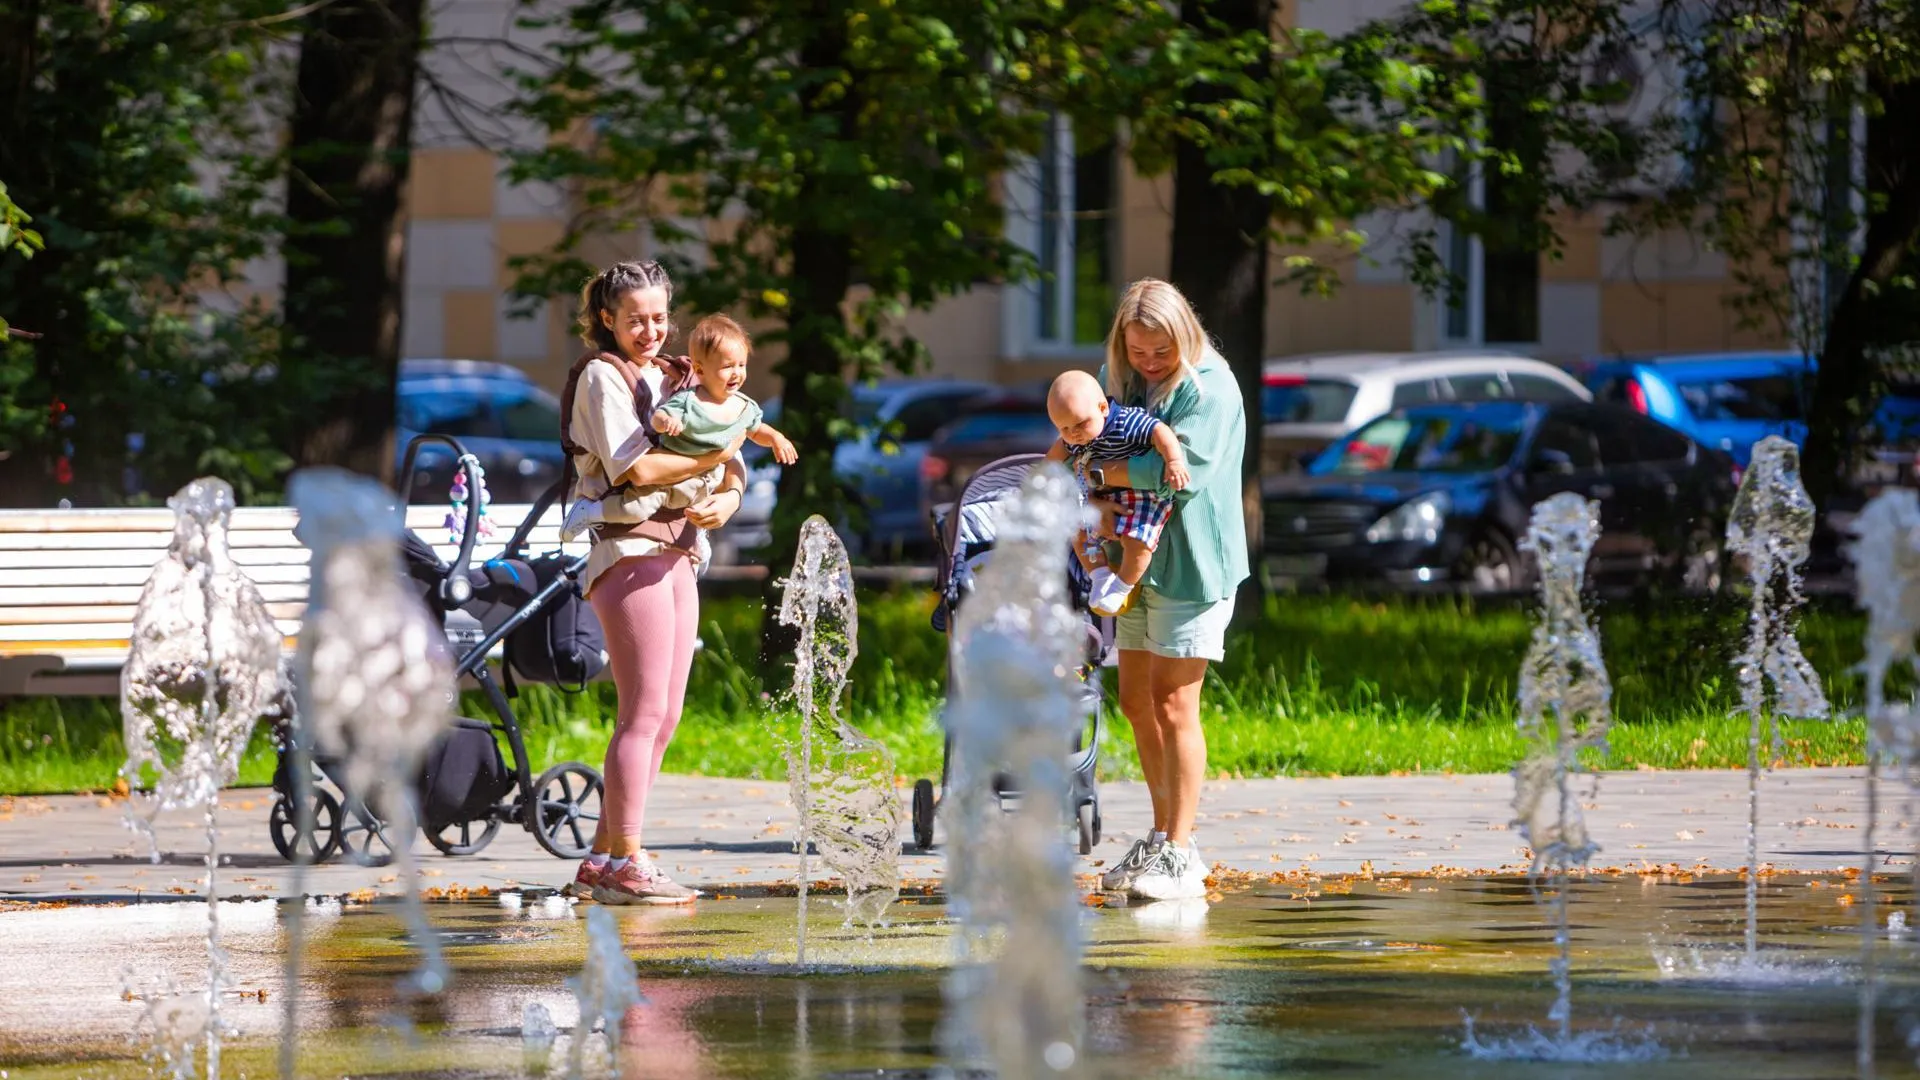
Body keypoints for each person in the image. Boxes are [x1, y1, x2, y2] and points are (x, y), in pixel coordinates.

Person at [555, 260, 750, 906]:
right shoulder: (601, 379)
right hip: (629, 549)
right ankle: (629, 859)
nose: (651, 330)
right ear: (606, 319)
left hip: (681, 549)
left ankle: (604, 858)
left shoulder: (678, 377)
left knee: (665, 716)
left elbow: (737, 446)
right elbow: (636, 470)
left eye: (661, 317)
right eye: (636, 319)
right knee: (640, 713)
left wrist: (731, 496)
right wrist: (719, 460)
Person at [1084, 278, 1248, 902]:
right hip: (1130, 560)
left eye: (1161, 354)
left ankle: (1181, 849)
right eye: (1138, 353)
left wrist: (1102, 470)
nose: (1148, 365)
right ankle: (1161, 835)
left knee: (1177, 705)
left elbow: (1181, 474)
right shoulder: (1118, 372)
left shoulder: (1214, 386)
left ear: (1184, 336)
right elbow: (1086, 432)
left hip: (1189, 564)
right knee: (1135, 700)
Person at [561, 313, 795, 540]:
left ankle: (696, 536)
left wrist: (776, 439)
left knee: (702, 509)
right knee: (637, 507)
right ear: (700, 370)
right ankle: (589, 512)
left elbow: (755, 430)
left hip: (703, 482)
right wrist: (667, 422)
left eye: (741, 365)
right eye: (727, 367)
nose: (736, 373)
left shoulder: (743, 406)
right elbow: (660, 417)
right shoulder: (689, 400)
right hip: (669, 479)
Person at [1043, 369, 1191, 617]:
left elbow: (1159, 431)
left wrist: (1174, 461)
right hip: (1103, 496)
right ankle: (1100, 575)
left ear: (1103, 408)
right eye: (1064, 428)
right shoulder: (1073, 436)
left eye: (1080, 424)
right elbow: (1056, 454)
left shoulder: (1126, 421)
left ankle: (1123, 585)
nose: (1074, 434)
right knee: (1078, 534)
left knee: (1138, 540)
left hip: (1142, 494)